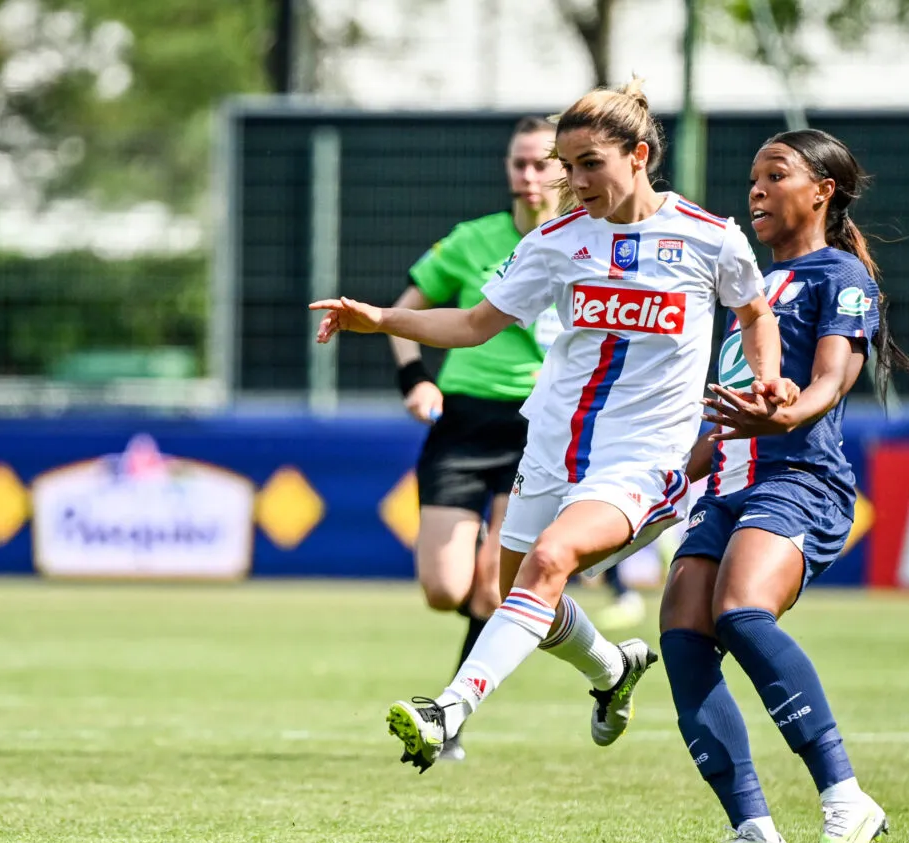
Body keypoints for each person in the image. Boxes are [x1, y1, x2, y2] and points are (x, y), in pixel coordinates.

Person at [312, 79, 796, 774]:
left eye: (587, 164)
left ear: (639, 154)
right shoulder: (557, 239)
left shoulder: (710, 237)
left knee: (546, 566)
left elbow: (754, 311)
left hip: (645, 457)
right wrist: (382, 318)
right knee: (527, 601)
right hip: (551, 447)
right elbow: (475, 324)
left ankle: (448, 708)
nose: (573, 181)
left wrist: (767, 375)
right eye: (567, 167)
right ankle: (612, 669)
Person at [660, 128, 909, 843]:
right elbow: (727, 412)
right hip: (728, 485)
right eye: (752, 178)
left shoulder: (841, 276)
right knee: (682, 630)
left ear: (822, 191)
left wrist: (786, 413)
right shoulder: (752, 291)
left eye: (775, 175)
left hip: (800, 480)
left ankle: (845, 799)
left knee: (739, 609)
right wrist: (665, 480)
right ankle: (753, 830)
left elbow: (829, 382)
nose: (756, 189)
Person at [388, 116, 565, 763]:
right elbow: (404, 313)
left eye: (542, 163)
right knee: (444, 587)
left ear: (566, 168)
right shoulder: (471, 241)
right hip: (463, 422)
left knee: (495, 589)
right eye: (518, 164)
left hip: (538, 425)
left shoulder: (588, 241)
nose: (528, 176)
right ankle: (484, 625)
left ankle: (450, 718)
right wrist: (415, 379)